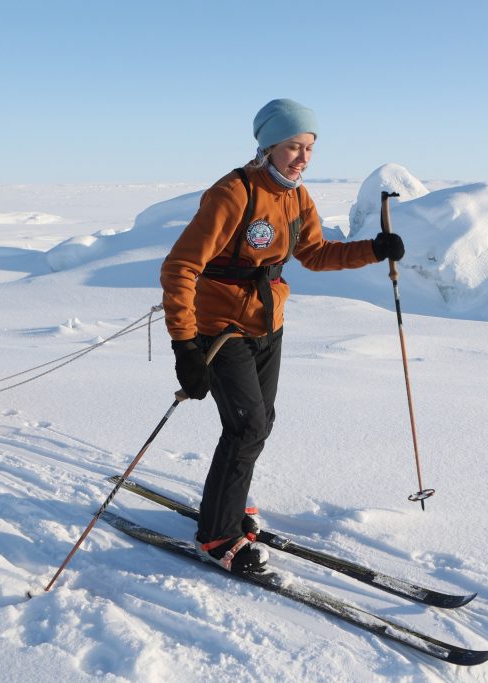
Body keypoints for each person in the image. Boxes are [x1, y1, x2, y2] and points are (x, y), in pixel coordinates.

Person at [159, 98, 405, 573]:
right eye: (294, 146)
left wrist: (373, 249)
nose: (303, 157)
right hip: (221, 328)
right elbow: (181, 267)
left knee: (260, 421)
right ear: (268, 145)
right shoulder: (233, 193)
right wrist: (184, 345)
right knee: (246, 426)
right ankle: (216, 536)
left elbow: (314, 253)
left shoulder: (296, 196)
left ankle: (229, 503)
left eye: (309, 147)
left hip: (268, 323)